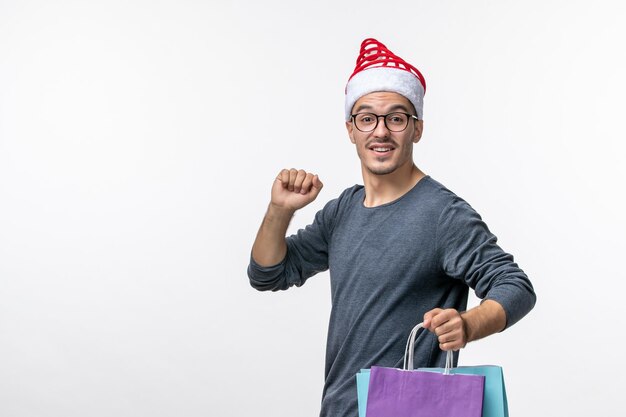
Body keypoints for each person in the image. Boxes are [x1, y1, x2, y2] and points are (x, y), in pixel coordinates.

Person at [247, 38, 536, 417]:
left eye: (396, 118)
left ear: (416, 129)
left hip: (409, 409)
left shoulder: (443, 214)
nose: (380, 131)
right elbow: (267, 274)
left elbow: (516, 286)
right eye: (367, 118)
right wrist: (279, 210)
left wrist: (468, 324)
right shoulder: (342, 210)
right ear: (351, 130)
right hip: (339, 408)